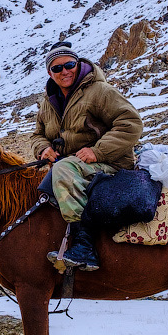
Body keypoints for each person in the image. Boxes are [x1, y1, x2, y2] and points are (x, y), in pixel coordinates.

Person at [30, 42, 142, 270]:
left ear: (78, 64)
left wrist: (98, 150)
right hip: (74, 165)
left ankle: (85, 246)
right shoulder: (47, 103)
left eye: (69, 64)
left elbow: (131, 123)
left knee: (61, 171)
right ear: (50, 73)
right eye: (57, 68)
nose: (65, 71)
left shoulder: (100, 91)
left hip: (110, 162)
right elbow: (37, 135)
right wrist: (43, 149)